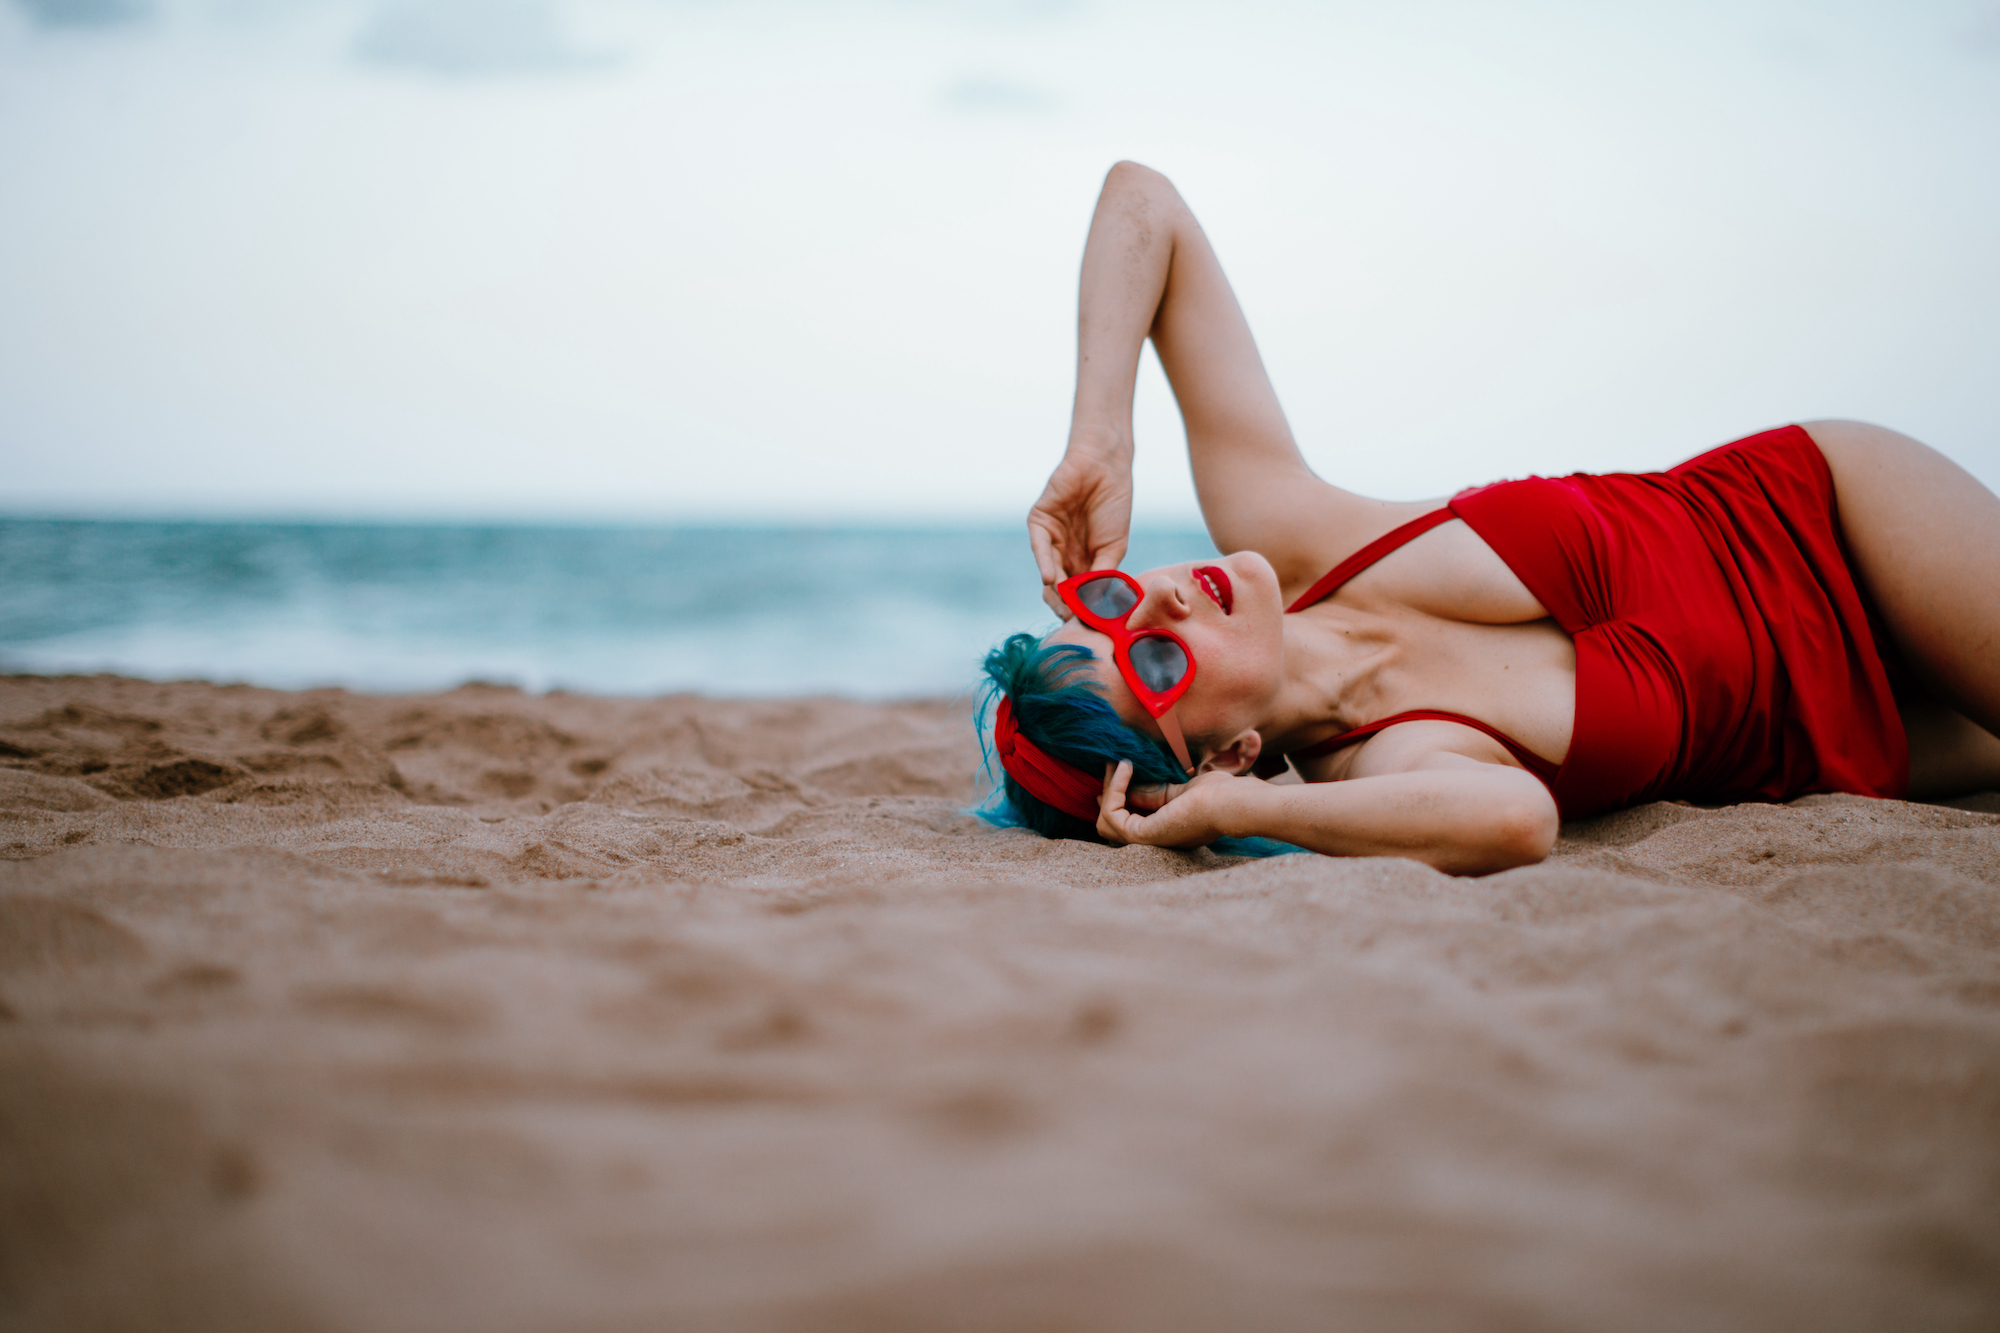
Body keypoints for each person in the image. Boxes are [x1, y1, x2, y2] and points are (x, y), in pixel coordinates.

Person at [982, 161, 2000, 875]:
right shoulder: (1382, 766)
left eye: (1107, 600)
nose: (1160, 597)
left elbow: (1142, 201)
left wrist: (1099, 441)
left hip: (1825, 517)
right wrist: (1246, 818)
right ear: (1226, 758)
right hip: (1859, 740)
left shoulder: (1288, 526)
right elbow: (1515, 821)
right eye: (1157, 662)